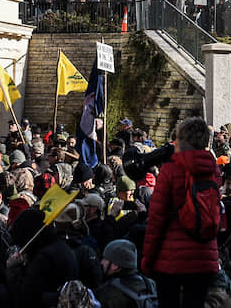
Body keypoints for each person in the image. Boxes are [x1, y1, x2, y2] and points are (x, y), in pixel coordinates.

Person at [142, 116, 221, 308]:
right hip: (204, 254)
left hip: (171, 257)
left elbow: (156, 219)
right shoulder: (214, 170)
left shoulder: (170, 171)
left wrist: (147, 259)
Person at [94, 239, 157, 308]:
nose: (101, 262)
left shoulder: (105, 293)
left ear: (115, 265)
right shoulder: (151, 284)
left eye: (105, 259)